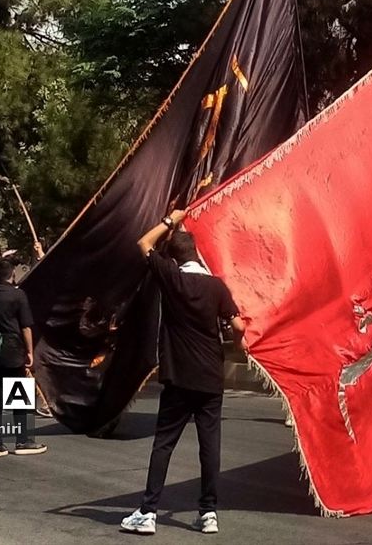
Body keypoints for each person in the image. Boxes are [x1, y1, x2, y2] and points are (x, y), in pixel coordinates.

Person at [121, 210, 245, 536]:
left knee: (164, 443)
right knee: (210, 446)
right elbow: (237, 324)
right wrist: (240, 344)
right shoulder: (217, 287)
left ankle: (148, 512)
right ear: (196, 254)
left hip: (179, 376)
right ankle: (208, 513)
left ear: (174, 259)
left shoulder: (172, 278)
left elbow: (143, 243)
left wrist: (170, 220)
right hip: (210, 377)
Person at [0, 259, 46, 457]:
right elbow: (26, 326)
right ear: (12, 274)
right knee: (18, 396)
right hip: (13, 347)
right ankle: (22, 440)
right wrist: (29, 352)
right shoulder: (18, 295)